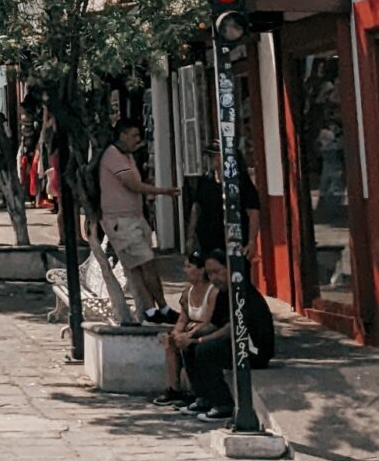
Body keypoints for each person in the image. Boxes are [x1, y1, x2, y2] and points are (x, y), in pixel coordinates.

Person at [180, 248, 275, 422]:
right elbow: (214, 324)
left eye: (217, 272)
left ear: (230, 268)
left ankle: (223, 404)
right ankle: (204, 398)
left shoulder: (241, 291)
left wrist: (202, 340)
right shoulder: (224, 292)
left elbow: (231, 328)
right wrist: (191, 335)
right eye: (210, 274)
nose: (214, 278)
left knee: (204, 350)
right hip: (236, 343)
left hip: (253, 350)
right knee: (190, 347)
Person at [97, 121, 179, 322]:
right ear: (123, 135)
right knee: (145, 263)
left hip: (134, 217)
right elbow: (133, 185)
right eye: (133, 135)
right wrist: (163, 191)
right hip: (121, 222)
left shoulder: (128, 156)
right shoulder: (113, 155)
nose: (137, 140)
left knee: (138, 267)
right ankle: (161, 308)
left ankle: (152, 311)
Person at [152, 250, 217, 406]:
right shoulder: (188, 293)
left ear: (201, 270)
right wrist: (176, 333)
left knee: (190, 345)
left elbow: (209, 321)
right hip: (191, 330)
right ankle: (175, 390)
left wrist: (189, 334)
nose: (185, 270)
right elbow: (182, 319)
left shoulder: (213, 291)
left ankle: (199, 393)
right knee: (171, 342)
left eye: (189, 266)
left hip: (207, 331)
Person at [187, 142, 262, 265]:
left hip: (234, 240)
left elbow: (253, 212)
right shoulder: (205, 181)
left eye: (216, 155)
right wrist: (190, 237)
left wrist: (251, 241)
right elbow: (196, 208)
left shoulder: (241, 182)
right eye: (211, 156)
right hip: (207, 241)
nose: (213, 159)